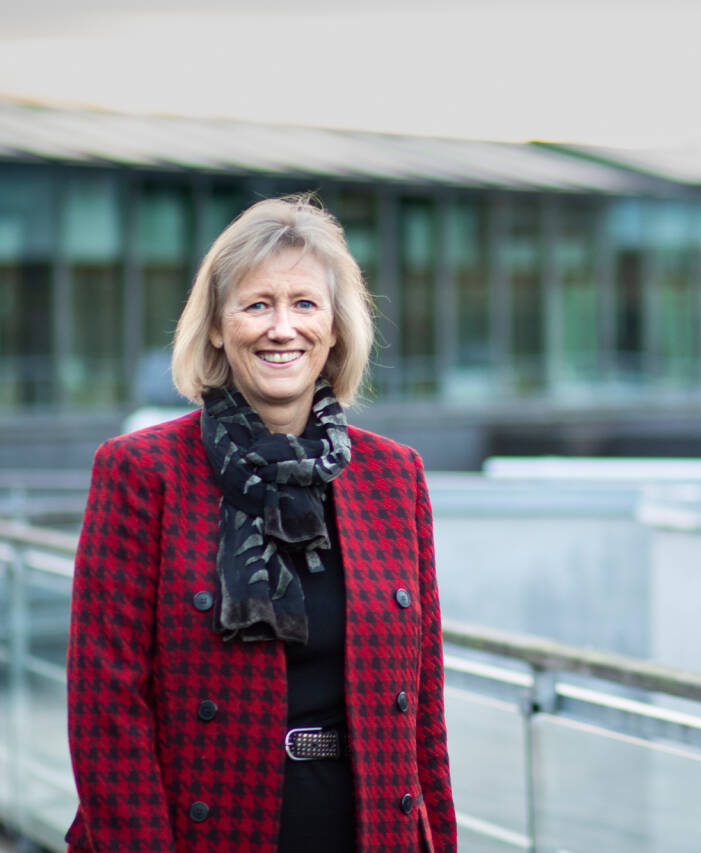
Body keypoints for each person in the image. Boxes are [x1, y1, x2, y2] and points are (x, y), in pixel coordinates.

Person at [66, 195, 456, 853]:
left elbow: (424, 714)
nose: (283, 328)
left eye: (305, 304)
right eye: (257, 304)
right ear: (217, 327)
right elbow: (107, 709)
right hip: (211, 834)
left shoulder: (395, 477)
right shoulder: (142, 471)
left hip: (370, 829)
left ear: (334, 328)